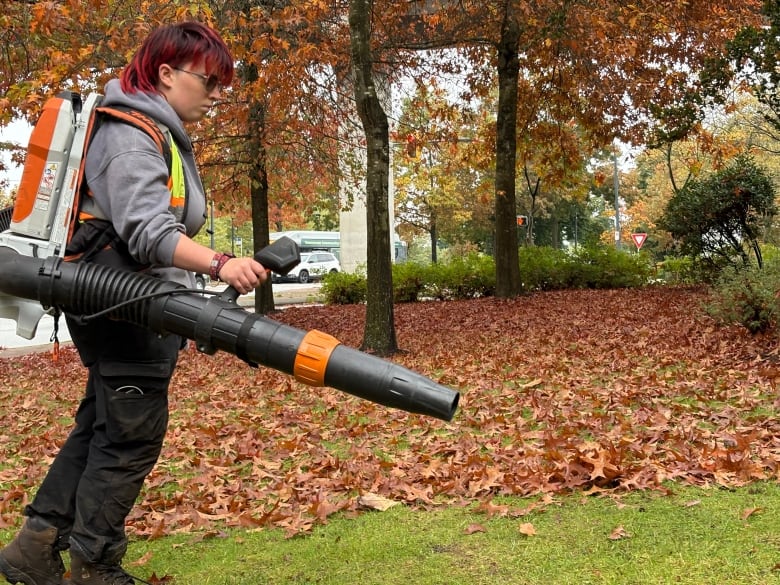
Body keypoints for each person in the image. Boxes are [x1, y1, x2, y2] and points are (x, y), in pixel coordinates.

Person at [0, 22, 267, 585]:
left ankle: (34, 548)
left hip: (131, 306)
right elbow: (147, 232)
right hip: (123, 308)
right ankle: (95, 568)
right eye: (209, 80)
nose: (217, 94)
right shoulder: (130, 137)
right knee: (129, 438)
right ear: (166, 74)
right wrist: (220, 264)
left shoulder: (152, 131)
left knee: (100, 425)